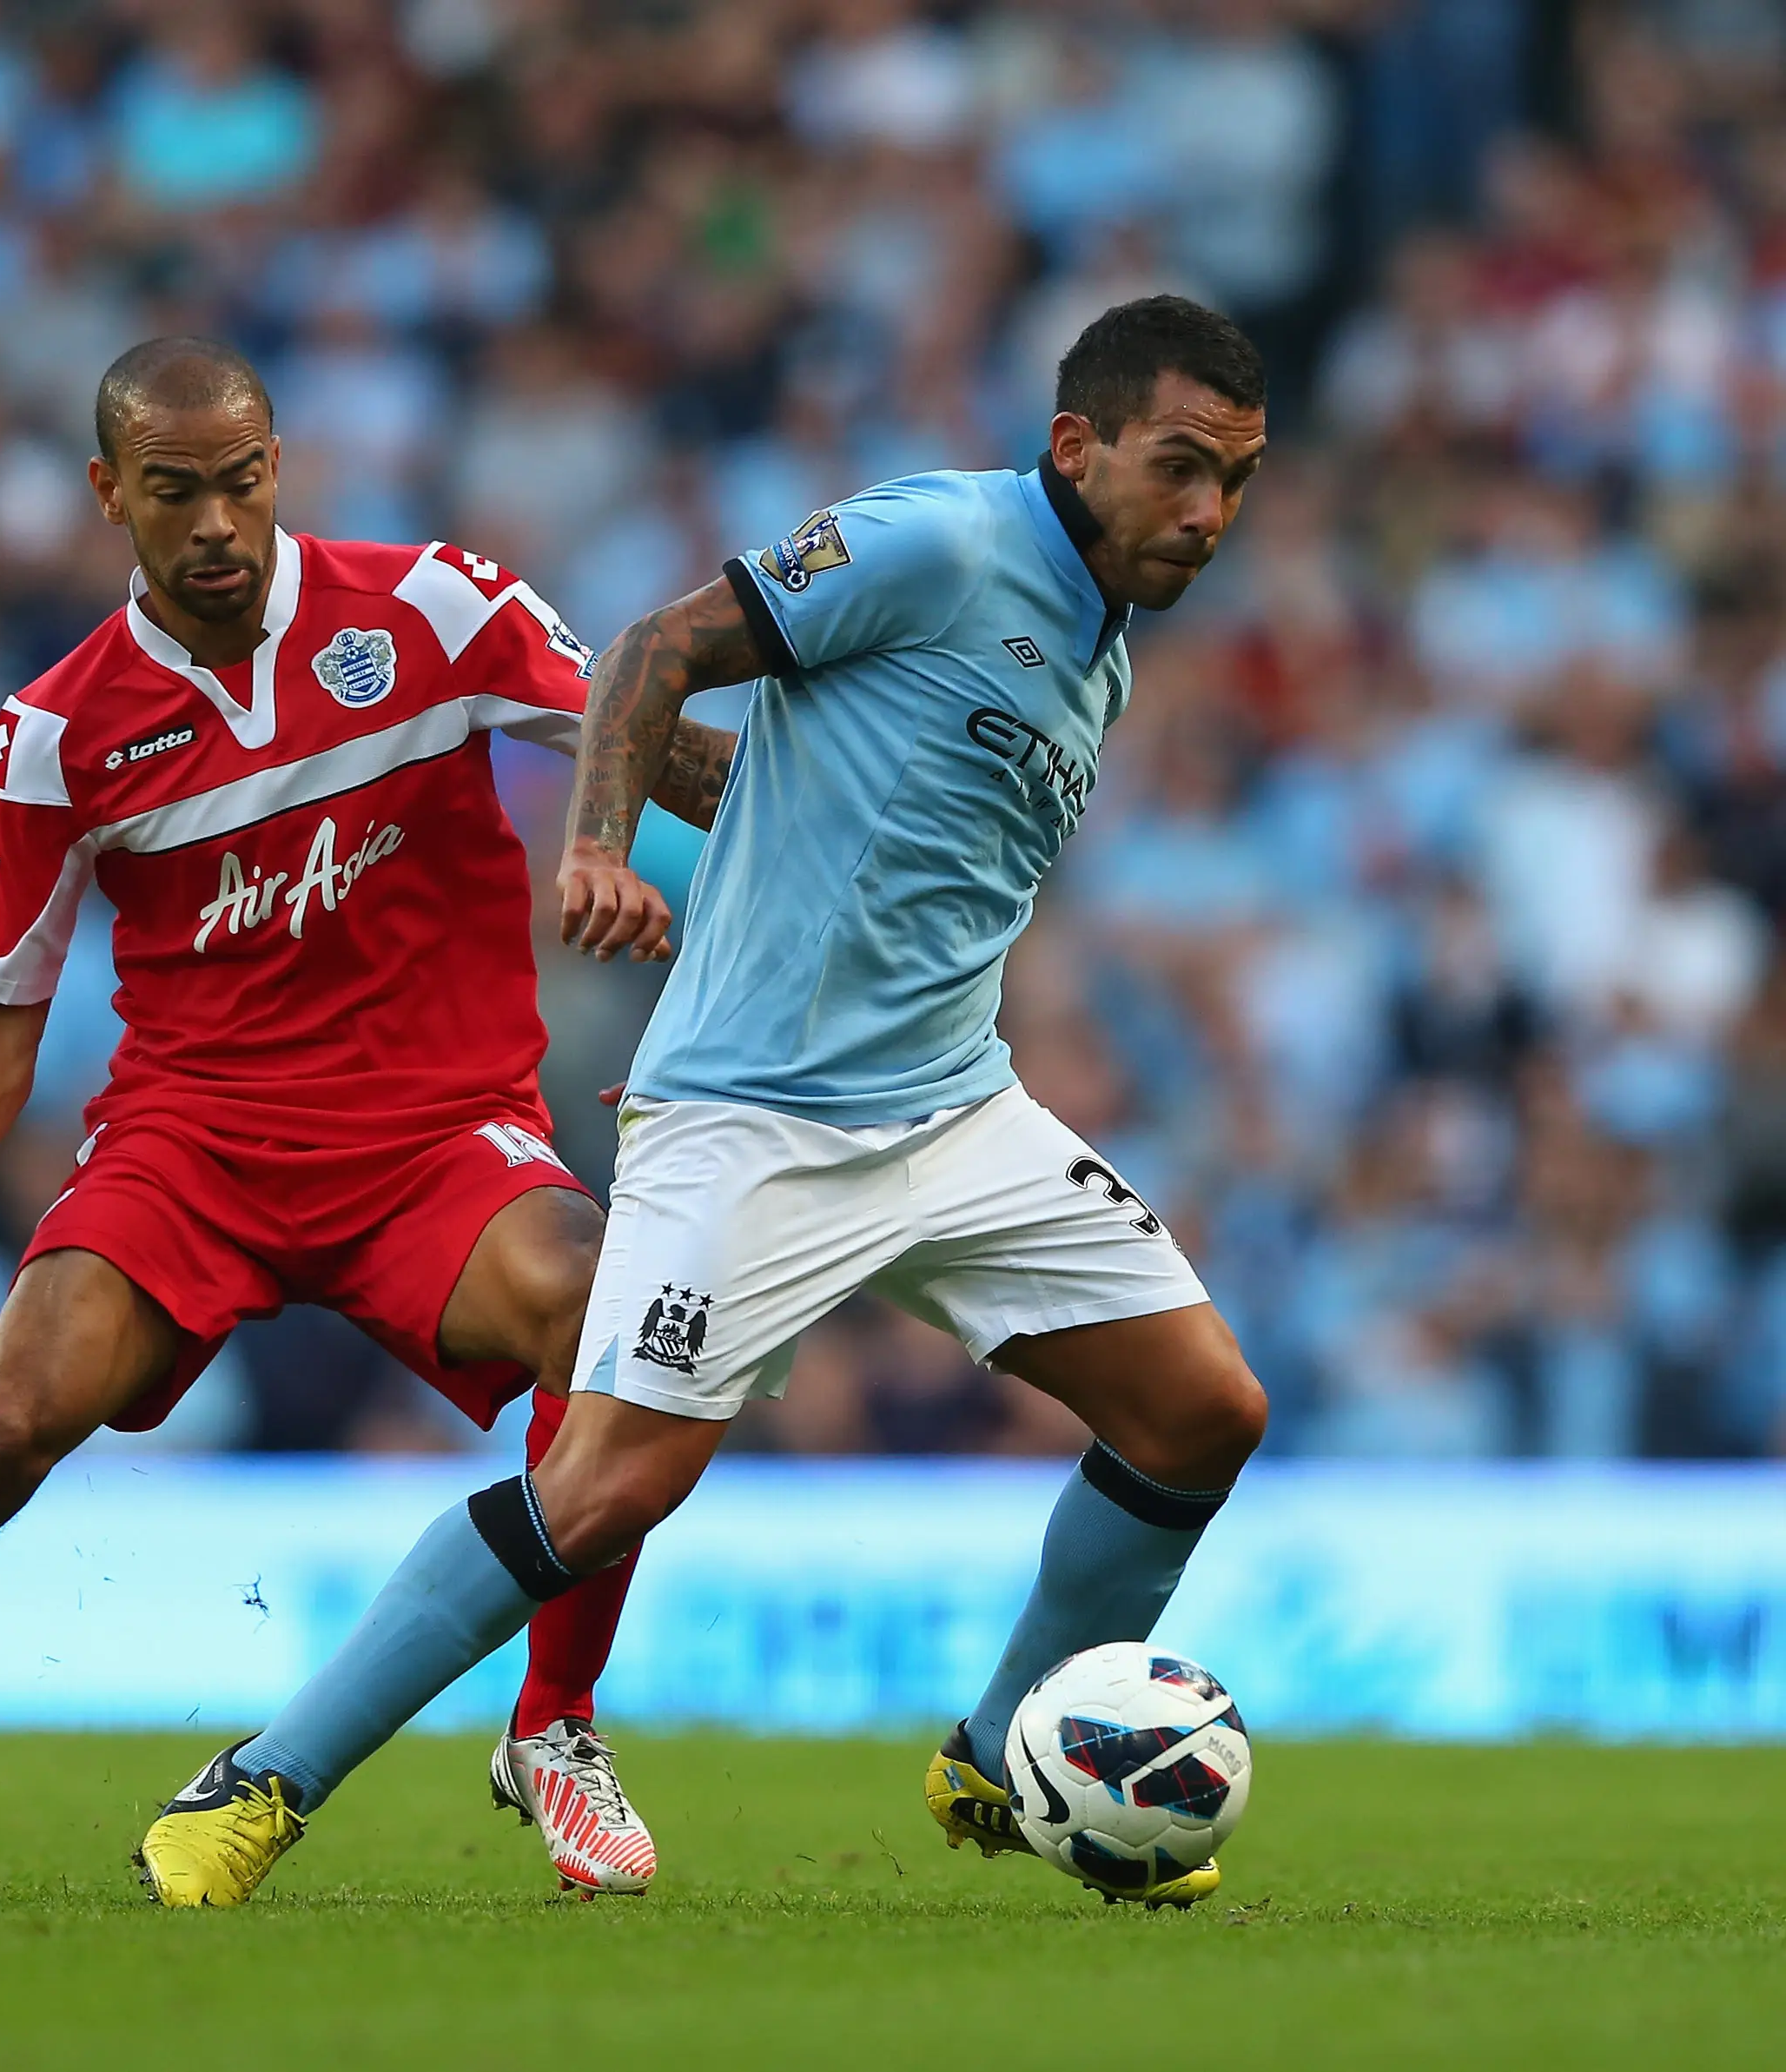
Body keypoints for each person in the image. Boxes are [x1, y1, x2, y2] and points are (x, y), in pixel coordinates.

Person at [136, 295, 1275, 1909]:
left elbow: (868, 829)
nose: (1207, 515)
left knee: (1203, 1409)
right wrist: (595, 844)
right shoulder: (937, 542)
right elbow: (655, 651)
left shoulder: (1099, 645)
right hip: (751, 1120)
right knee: (603, 1487)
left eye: (1233, 481)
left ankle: (1001, 1745)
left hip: (954, 1110)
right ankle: (256, 1785)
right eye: (1177, 469)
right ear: (1076, 446)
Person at [0, 337, 737, 1905]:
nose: (217, 525)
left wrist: (808, 798)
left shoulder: (436, 610)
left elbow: (645, 741)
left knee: (602, 1315)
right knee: (14, 1414)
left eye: (241, 483)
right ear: (112, 493)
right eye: (175, 494)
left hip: (431, 1139)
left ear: (278, 465)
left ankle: (555, 1729)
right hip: (195, 1152)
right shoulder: (52, 732)